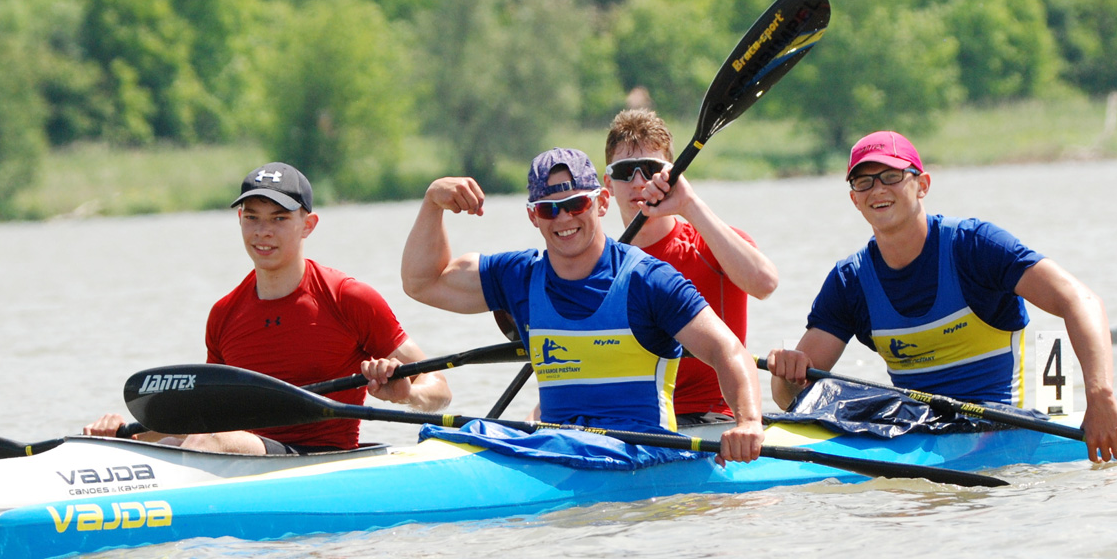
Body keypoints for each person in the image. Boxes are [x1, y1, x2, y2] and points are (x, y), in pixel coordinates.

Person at [763, 130, 1117, 462]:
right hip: (914, 428)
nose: (877, 190)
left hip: (997, 428)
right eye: (864, 182)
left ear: (922, 184)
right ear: (854, 199)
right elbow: (792, 399)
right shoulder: (850, 281)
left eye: (891, 177)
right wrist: (787, 373)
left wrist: (1100, 396)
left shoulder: (976, 247)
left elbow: (1081, 300)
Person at [401, 147, 763, 463]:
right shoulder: (518, 277)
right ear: (533, 216)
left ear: (602, 202)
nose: (563, 218)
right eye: (549, 209)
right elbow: (422, 282)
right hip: (558, 449)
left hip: (641, 455)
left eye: (576, 204)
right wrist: (433, 202)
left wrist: (748, 423)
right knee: (457, 432)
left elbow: (727, 350)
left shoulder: (649, 280)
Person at [86, 162, 450, 454]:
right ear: (239, 220)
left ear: (308, 225)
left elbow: (439, 387)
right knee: (167, 444)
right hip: (239, 451)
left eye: (279, 218)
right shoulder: (224, 313)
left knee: (204, 443)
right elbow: (207, 413)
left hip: (321, 461)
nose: (263, 231)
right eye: (252, 217)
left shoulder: (348, 298)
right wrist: (123, 435)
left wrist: (409, 393)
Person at [603, 108, 778, 423]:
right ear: (608, 182)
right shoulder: (603, 265)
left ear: (671, 174)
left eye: (650, 168)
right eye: (625, 170)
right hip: (637, 420)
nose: (639, 181)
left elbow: (765, 284)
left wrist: (689, 205)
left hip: (711, 416)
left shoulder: (710, 243)